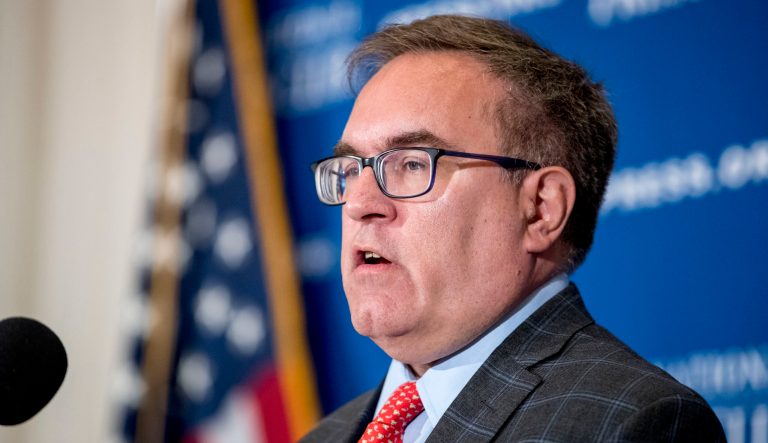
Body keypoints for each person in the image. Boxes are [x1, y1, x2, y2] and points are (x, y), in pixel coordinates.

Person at [301, 14, 725, 443]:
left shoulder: (630, 423)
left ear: (541, 209)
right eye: (351, 169)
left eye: (412, 164)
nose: (359, 204)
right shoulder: (324, 437)